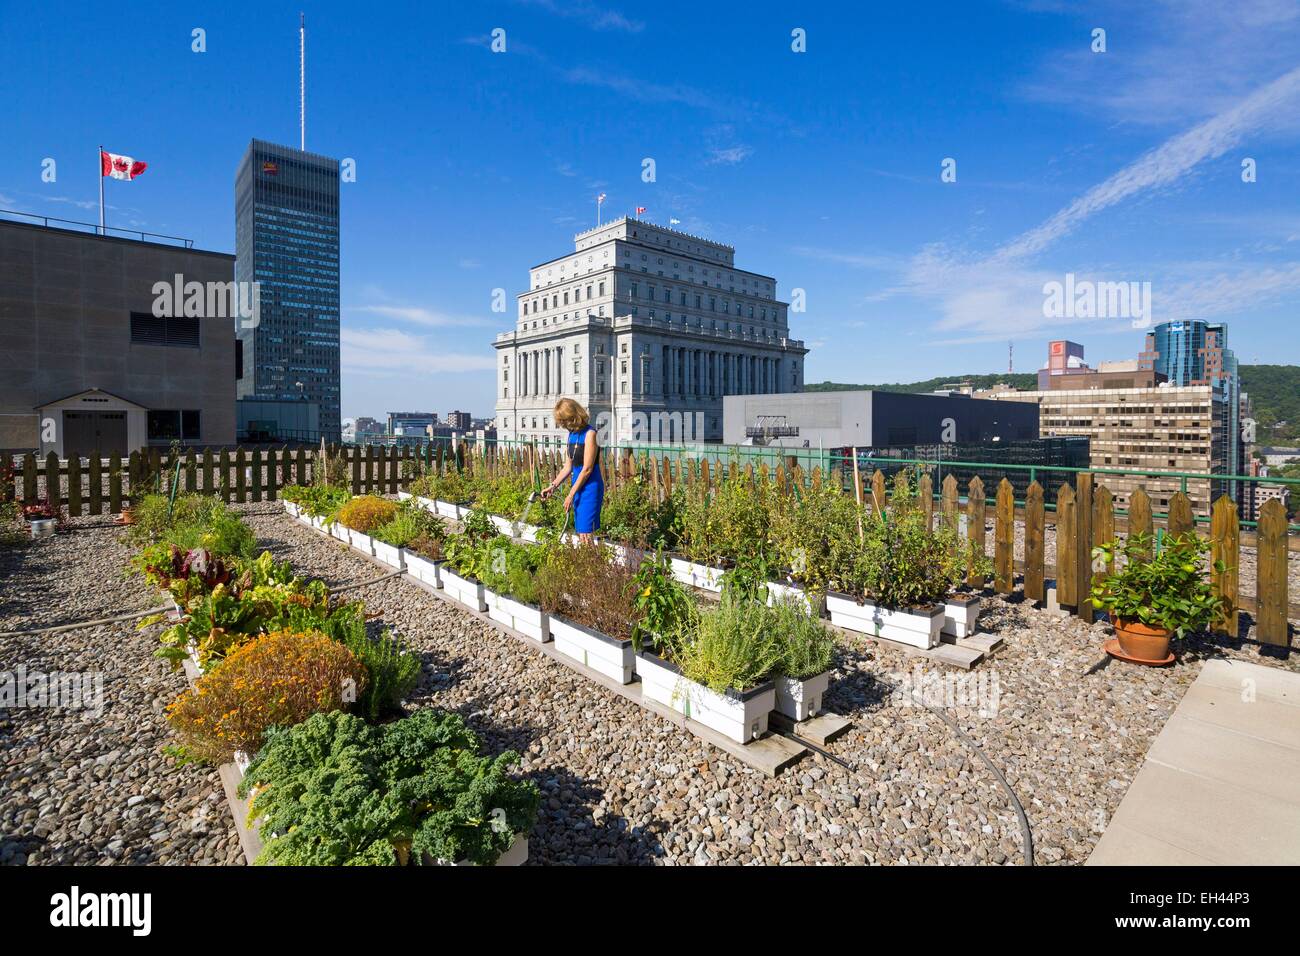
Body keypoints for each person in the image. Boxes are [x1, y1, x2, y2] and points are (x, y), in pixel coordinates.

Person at [540, 398, 603, 541]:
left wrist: (570, 494)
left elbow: (587, 469)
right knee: (582, 533)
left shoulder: (590, 434)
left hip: (590, 487)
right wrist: (552, 486)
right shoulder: (571, 435)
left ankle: (590, 562)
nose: (562, 424)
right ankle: (588, 561)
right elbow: (568, 467)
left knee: (586, 533)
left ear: (574, 416)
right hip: (577, 486)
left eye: (564, 420)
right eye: (561, 421)